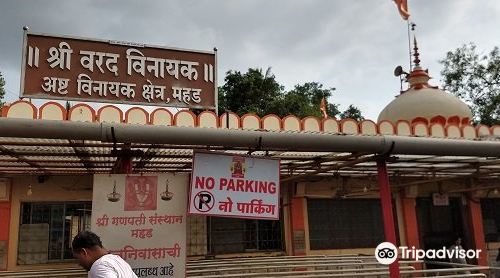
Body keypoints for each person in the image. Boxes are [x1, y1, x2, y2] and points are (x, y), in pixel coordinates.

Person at [72, 231, 138, 278]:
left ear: (84, 252)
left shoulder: (99, 266)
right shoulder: (118, 260)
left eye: (77, 258)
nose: (79, 264)